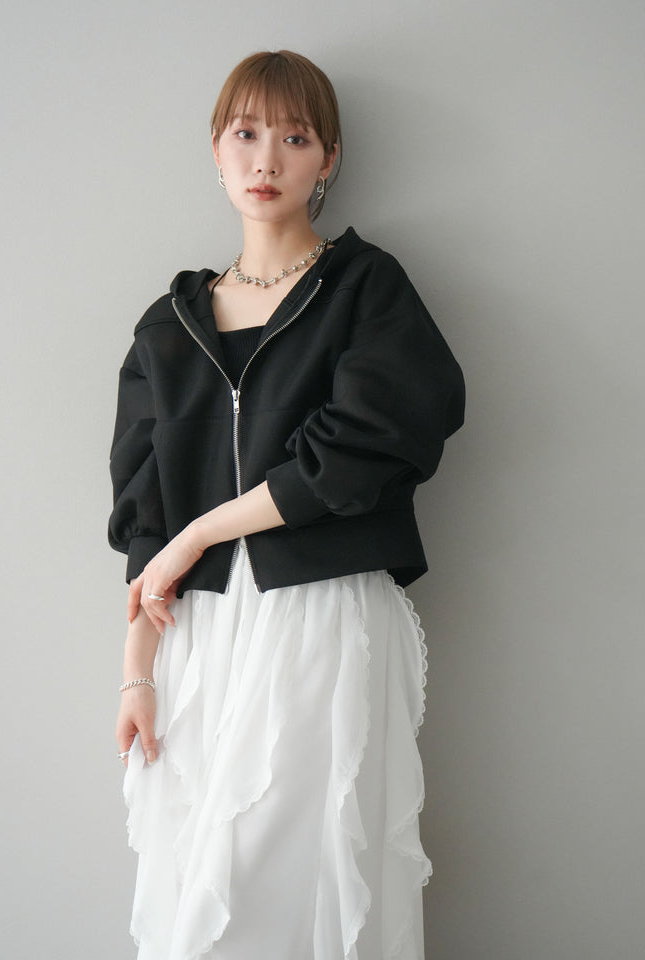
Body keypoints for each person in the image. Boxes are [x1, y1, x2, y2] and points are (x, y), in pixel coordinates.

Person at [109, 50, 465, 960]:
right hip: (198, 635)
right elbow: (146, 522)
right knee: (192, 885)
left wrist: (200, 531)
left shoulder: (364, 288)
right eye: (246, 133)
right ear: (216, 151)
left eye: (295, 138)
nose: (266, 159)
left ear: (328, 159)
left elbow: (368, 444)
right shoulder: (166, 328)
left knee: (290, 885)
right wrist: (138, 672)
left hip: (321, 612)